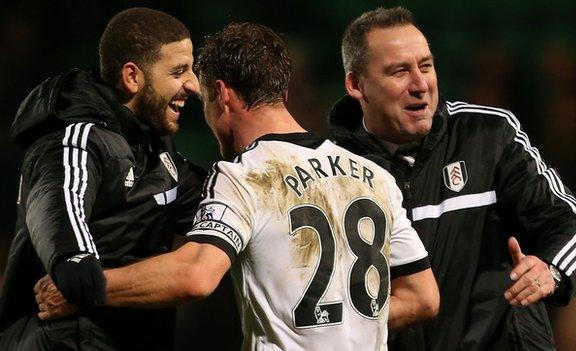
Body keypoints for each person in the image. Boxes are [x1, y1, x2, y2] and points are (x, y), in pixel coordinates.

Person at [35, 22, 440, 351]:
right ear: (282, 92)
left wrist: (87, 288)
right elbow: (423, 297)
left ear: (221, 95)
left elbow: (195, 276)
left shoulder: (245, 175)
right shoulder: (373, 175)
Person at [328, 7, 576, 351]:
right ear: (356, 84)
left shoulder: (488, 136)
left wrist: (552, 270)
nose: (420, 84)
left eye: (426, 66)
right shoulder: (331, 168)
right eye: (399, 71)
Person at [0, 7, 205, 350]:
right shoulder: (77, 140)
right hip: (62, 339)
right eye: (178, 71)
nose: (193, 85)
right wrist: (73, 259)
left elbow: (220, 202)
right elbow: (58, 201)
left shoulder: (157, 150)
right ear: (132, 77)